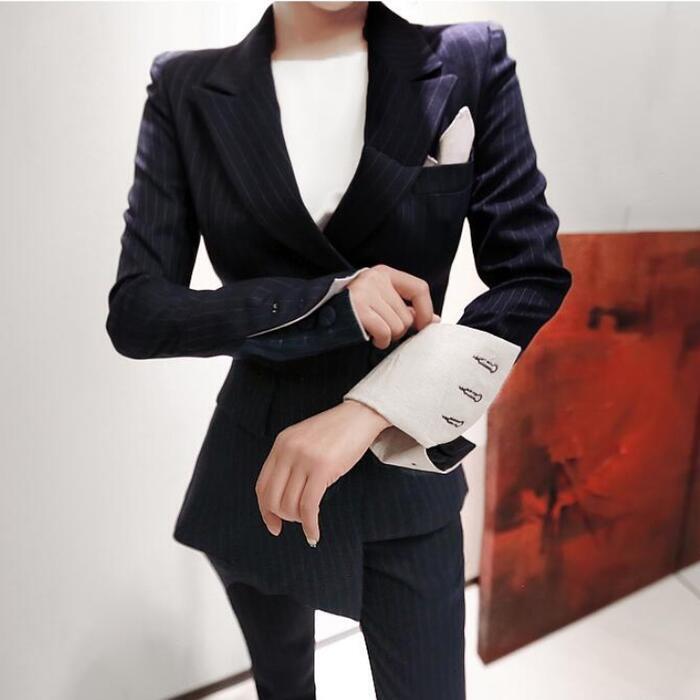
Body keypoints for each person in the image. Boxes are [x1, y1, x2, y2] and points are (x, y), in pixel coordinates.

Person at [106, 2, 572, 698]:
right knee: (282, 685)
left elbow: (529, 275)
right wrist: (327, 302)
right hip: (255, 467)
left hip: (404, 466)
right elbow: (138, 312)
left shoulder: (469, 58)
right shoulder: (186, 86)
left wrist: (371, 409)